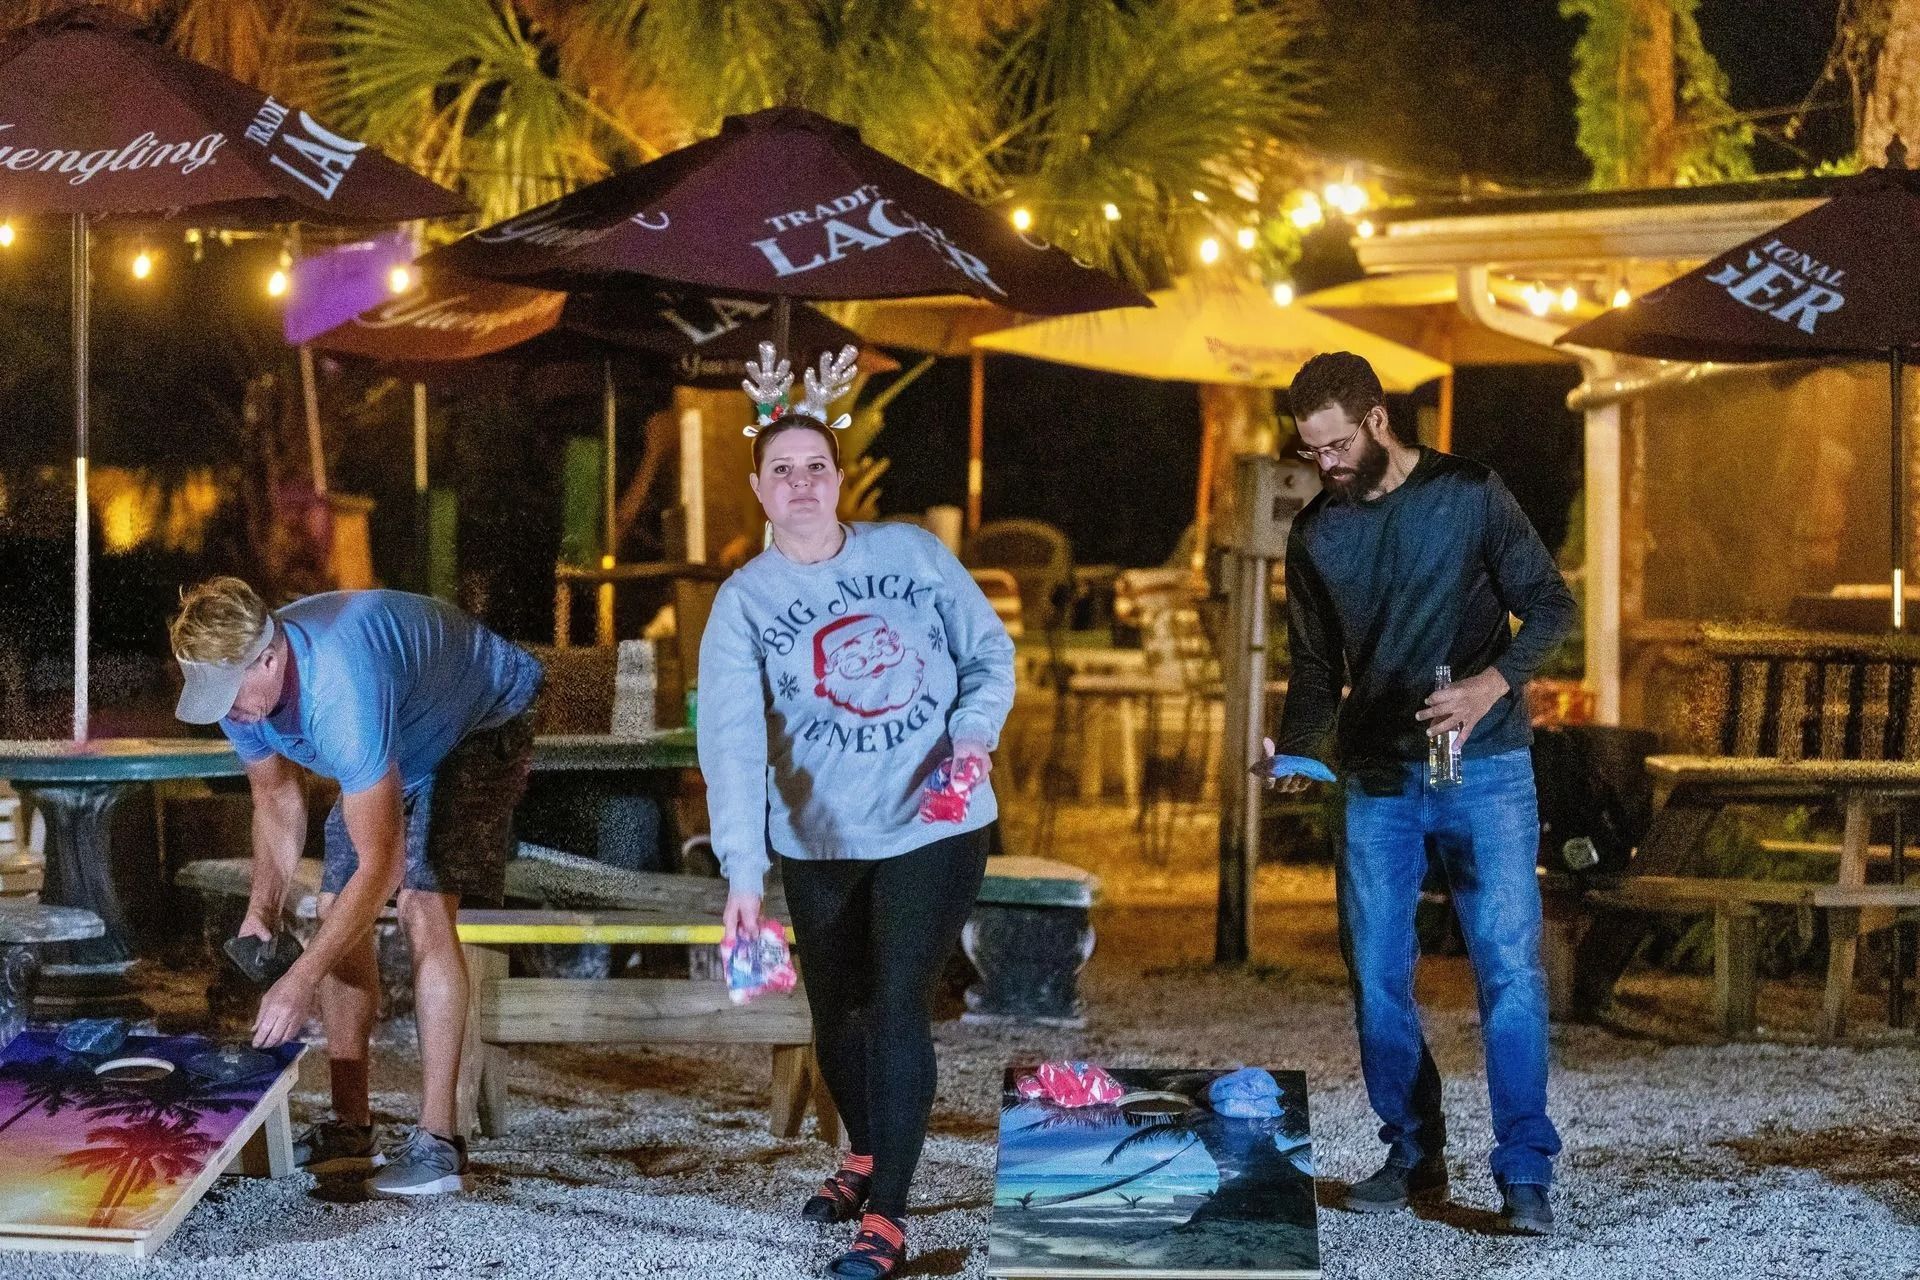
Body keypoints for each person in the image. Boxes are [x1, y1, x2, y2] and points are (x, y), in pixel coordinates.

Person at [699, 345, 1015, 1280]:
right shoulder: (745, 602)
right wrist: (743, 874)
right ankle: (868, 1152)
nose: (801, 484)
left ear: (841, 479)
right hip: (821, 834)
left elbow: (988, 653)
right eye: (782, 471)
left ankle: (887, 1217)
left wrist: (972, 734)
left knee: (895, 1002)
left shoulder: (912, 553)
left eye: (816, 468)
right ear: (759, 489)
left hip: (936, 818)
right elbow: (731, 741)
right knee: (834, 1012)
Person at [1265, 351, 1575, 1235]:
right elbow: (1318, 672)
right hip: (1377, 776)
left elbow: (1550, 605)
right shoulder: (1316, 534)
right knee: (1376, 973)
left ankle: (1524, 1172)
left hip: (1488, 768)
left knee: (1510, 970)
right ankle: (1413, 1151)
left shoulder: (1469, 491)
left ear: (1374, 421)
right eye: (1307, 451)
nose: (1320, 465)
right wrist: (1294, 753)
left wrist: (1489, 685)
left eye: (1331, 446)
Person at [169, 579, 543, 1197]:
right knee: (335, 910)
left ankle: (438, 1144)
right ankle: (351, 1126)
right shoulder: (243, 694)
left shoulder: (338, 688)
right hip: (400, 734)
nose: (224, 710)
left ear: (269, 657)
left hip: (481, 717)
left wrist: (299, 981)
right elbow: (276, 798)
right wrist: (260, 910)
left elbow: (384, 866)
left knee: (422, 904)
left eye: (228, 693)